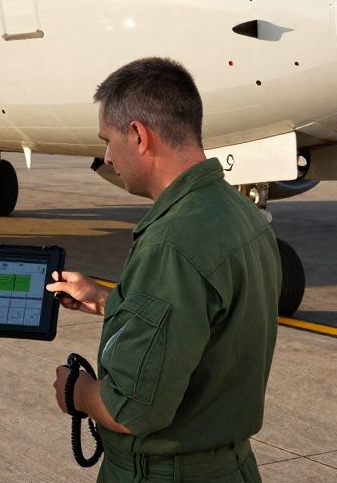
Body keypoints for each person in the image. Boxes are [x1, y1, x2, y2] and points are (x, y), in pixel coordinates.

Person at [48, 57, 282, 482]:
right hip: (230, 467)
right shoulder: (239, 214)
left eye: (107, 139)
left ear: (138, 135)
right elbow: (203, 322)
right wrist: (106, 300)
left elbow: (131, 408)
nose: (106, 155)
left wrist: (75, 391)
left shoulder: (172, 242)